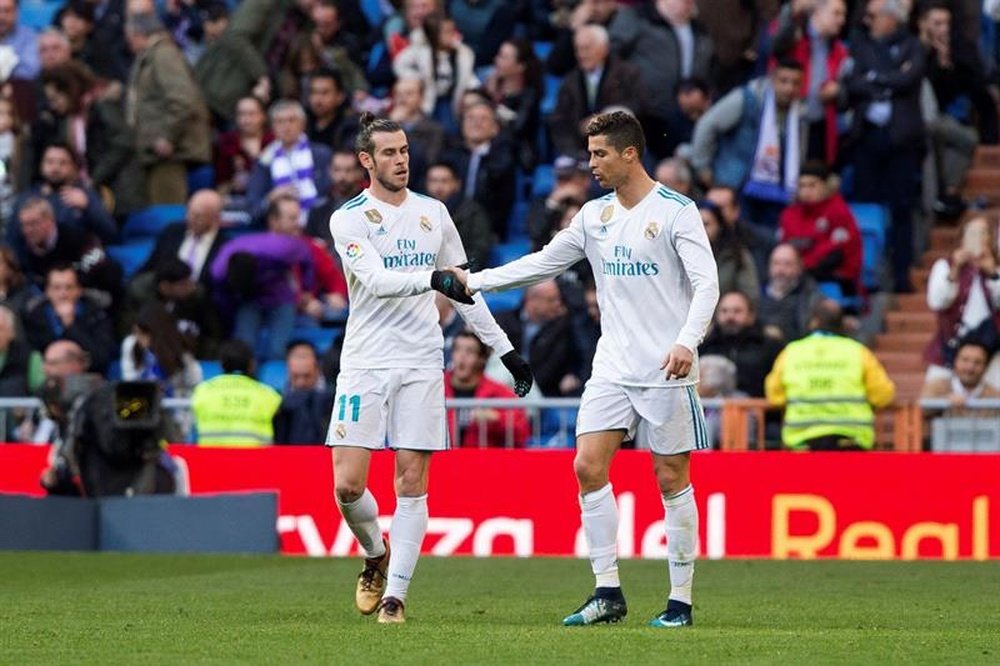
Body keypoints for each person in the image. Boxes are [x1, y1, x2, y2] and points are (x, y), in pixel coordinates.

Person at [455, 111, 719, 627]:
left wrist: (688, 341)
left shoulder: (676, 212)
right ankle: (607, 593)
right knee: (586, 467)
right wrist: (476, 281)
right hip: (613, 367)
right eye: (590, 153)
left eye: (599, 154)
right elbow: (544, 262)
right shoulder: (593, 216)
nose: (591, 163)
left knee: (670, 479)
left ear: (629, 154)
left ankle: (681, 601)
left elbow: (707, 284)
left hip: (667, 368)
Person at [327, 113, 531, 624]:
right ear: (367, 161)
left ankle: (396, 595)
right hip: (365, 362)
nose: (402, 160)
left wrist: (504, 351)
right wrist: (435, 278)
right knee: (348, 486)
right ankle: (376, 553)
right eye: (390, 153)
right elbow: (374, 281)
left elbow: (462, 290)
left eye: (405, 151)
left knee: (411, 480)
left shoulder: (434, 213)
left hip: (421, 360)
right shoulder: (348, 218)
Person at [843, 0, 925, 292]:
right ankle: (868, 277)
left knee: (902, 210)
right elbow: (852, 83)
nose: (869, 21)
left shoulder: (912, 44)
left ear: (892, 18)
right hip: (867, 139)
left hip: (901, 140)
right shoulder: (861, 45)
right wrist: (889, 79)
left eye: (875, 16)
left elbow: (909, 78)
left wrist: (874, 78)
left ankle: (901, 274)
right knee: (867, 208)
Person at [689, 59, 806, 229]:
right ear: (772, 79)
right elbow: (707, 124)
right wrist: (702, 167)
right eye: (783, 81)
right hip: (737, 186)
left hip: (779, 192)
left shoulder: (800, 111)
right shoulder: (748, 98)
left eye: (795, 83)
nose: (789, 88)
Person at [766, 299, 895, 450]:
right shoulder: (857, 352)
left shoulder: (791, 352)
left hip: (803, 443)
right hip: (851, 441)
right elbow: (883, 395)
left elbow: (774, 396)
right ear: (843, 323)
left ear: (813, 322)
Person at [125, 12, 212, 204]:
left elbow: (182, 99)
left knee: (169, 215)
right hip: (158, 152)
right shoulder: (153, 56)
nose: (128, 44)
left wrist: (168, 136)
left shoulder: (164, 54)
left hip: (169, 154)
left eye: (129, 37)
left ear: (138, 34)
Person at [548, 24, 644, 157]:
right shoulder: (570, 81)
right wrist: (574, 153)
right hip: (580, 151)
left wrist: (603, 120)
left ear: (604, 48)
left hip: (620, 150)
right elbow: (559, 122)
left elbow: (638, 107)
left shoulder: (628, 74)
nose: (581, 54)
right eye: (577, 49)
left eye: (586, 48)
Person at [924, 216, 1000, 379]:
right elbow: (937, 302)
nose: (977, 237)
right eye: (972, 232)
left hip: (991, 345)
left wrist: (992, 273)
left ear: (990, 238)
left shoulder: (996, 268)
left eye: (983, 233)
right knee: (936, 393)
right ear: (962, 237)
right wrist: (955, 270)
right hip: (952, 343)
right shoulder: (944, 266)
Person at [777, 161, 862, 298]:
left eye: (812, 185)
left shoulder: (838, 211)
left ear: (826, 186)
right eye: (802, 186)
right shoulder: (789, 214)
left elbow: (839, 254)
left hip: (832, 276)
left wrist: (805, 269)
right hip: (795, 273)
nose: (806, 191)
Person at [444, 330, 530, 448]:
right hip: (440, 462)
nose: (461, 356)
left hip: (482, 463)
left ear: (482, 359)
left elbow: (522, 431)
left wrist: (497, 418)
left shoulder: (498, 392)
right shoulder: (436, 388)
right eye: (457, 349)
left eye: (469, 351)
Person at [191, 339, 282, 446]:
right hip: (255, 461)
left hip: (210, 461)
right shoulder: (267, 394)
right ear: (251, 364)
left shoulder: (203, 391)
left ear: (221, 364)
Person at [699, 290, 783, 397]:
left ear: (751, 316)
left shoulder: (769, 347)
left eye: (737, 311)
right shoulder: (704, 346)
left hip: (758, 410)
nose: (730, 317)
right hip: (713, 412)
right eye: (724, 311)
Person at [424, 161, 493, 271]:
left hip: (461, 274)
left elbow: (479, 250)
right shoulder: (419, 210)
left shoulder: (472, 212)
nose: (438, 186)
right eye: (433, 181)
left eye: (444, 181)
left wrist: (458, 273)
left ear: (457, 184)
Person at [272, 341, 335, 444]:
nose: (301, 382)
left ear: (317, 369)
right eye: (296, 376)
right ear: (288, 370)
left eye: (306, 376)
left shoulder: (334, 397)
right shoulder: (277, 399)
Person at [758, 243, 822, 343]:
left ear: (799, 267)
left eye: (787, 264)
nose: (781, 270)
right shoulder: (756, 293)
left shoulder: (811, 296)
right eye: (776, 263)